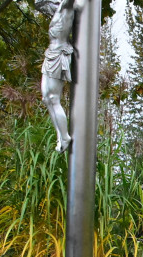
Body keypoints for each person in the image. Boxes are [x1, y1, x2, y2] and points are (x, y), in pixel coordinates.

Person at [40, 0, 85, 153]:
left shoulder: (66, 8)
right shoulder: (56, 10)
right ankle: (60, 135)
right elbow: (38, 4)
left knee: (53, 97)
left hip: (59, 54)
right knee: (46, 98)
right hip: (51, 54)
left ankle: (65, 136)